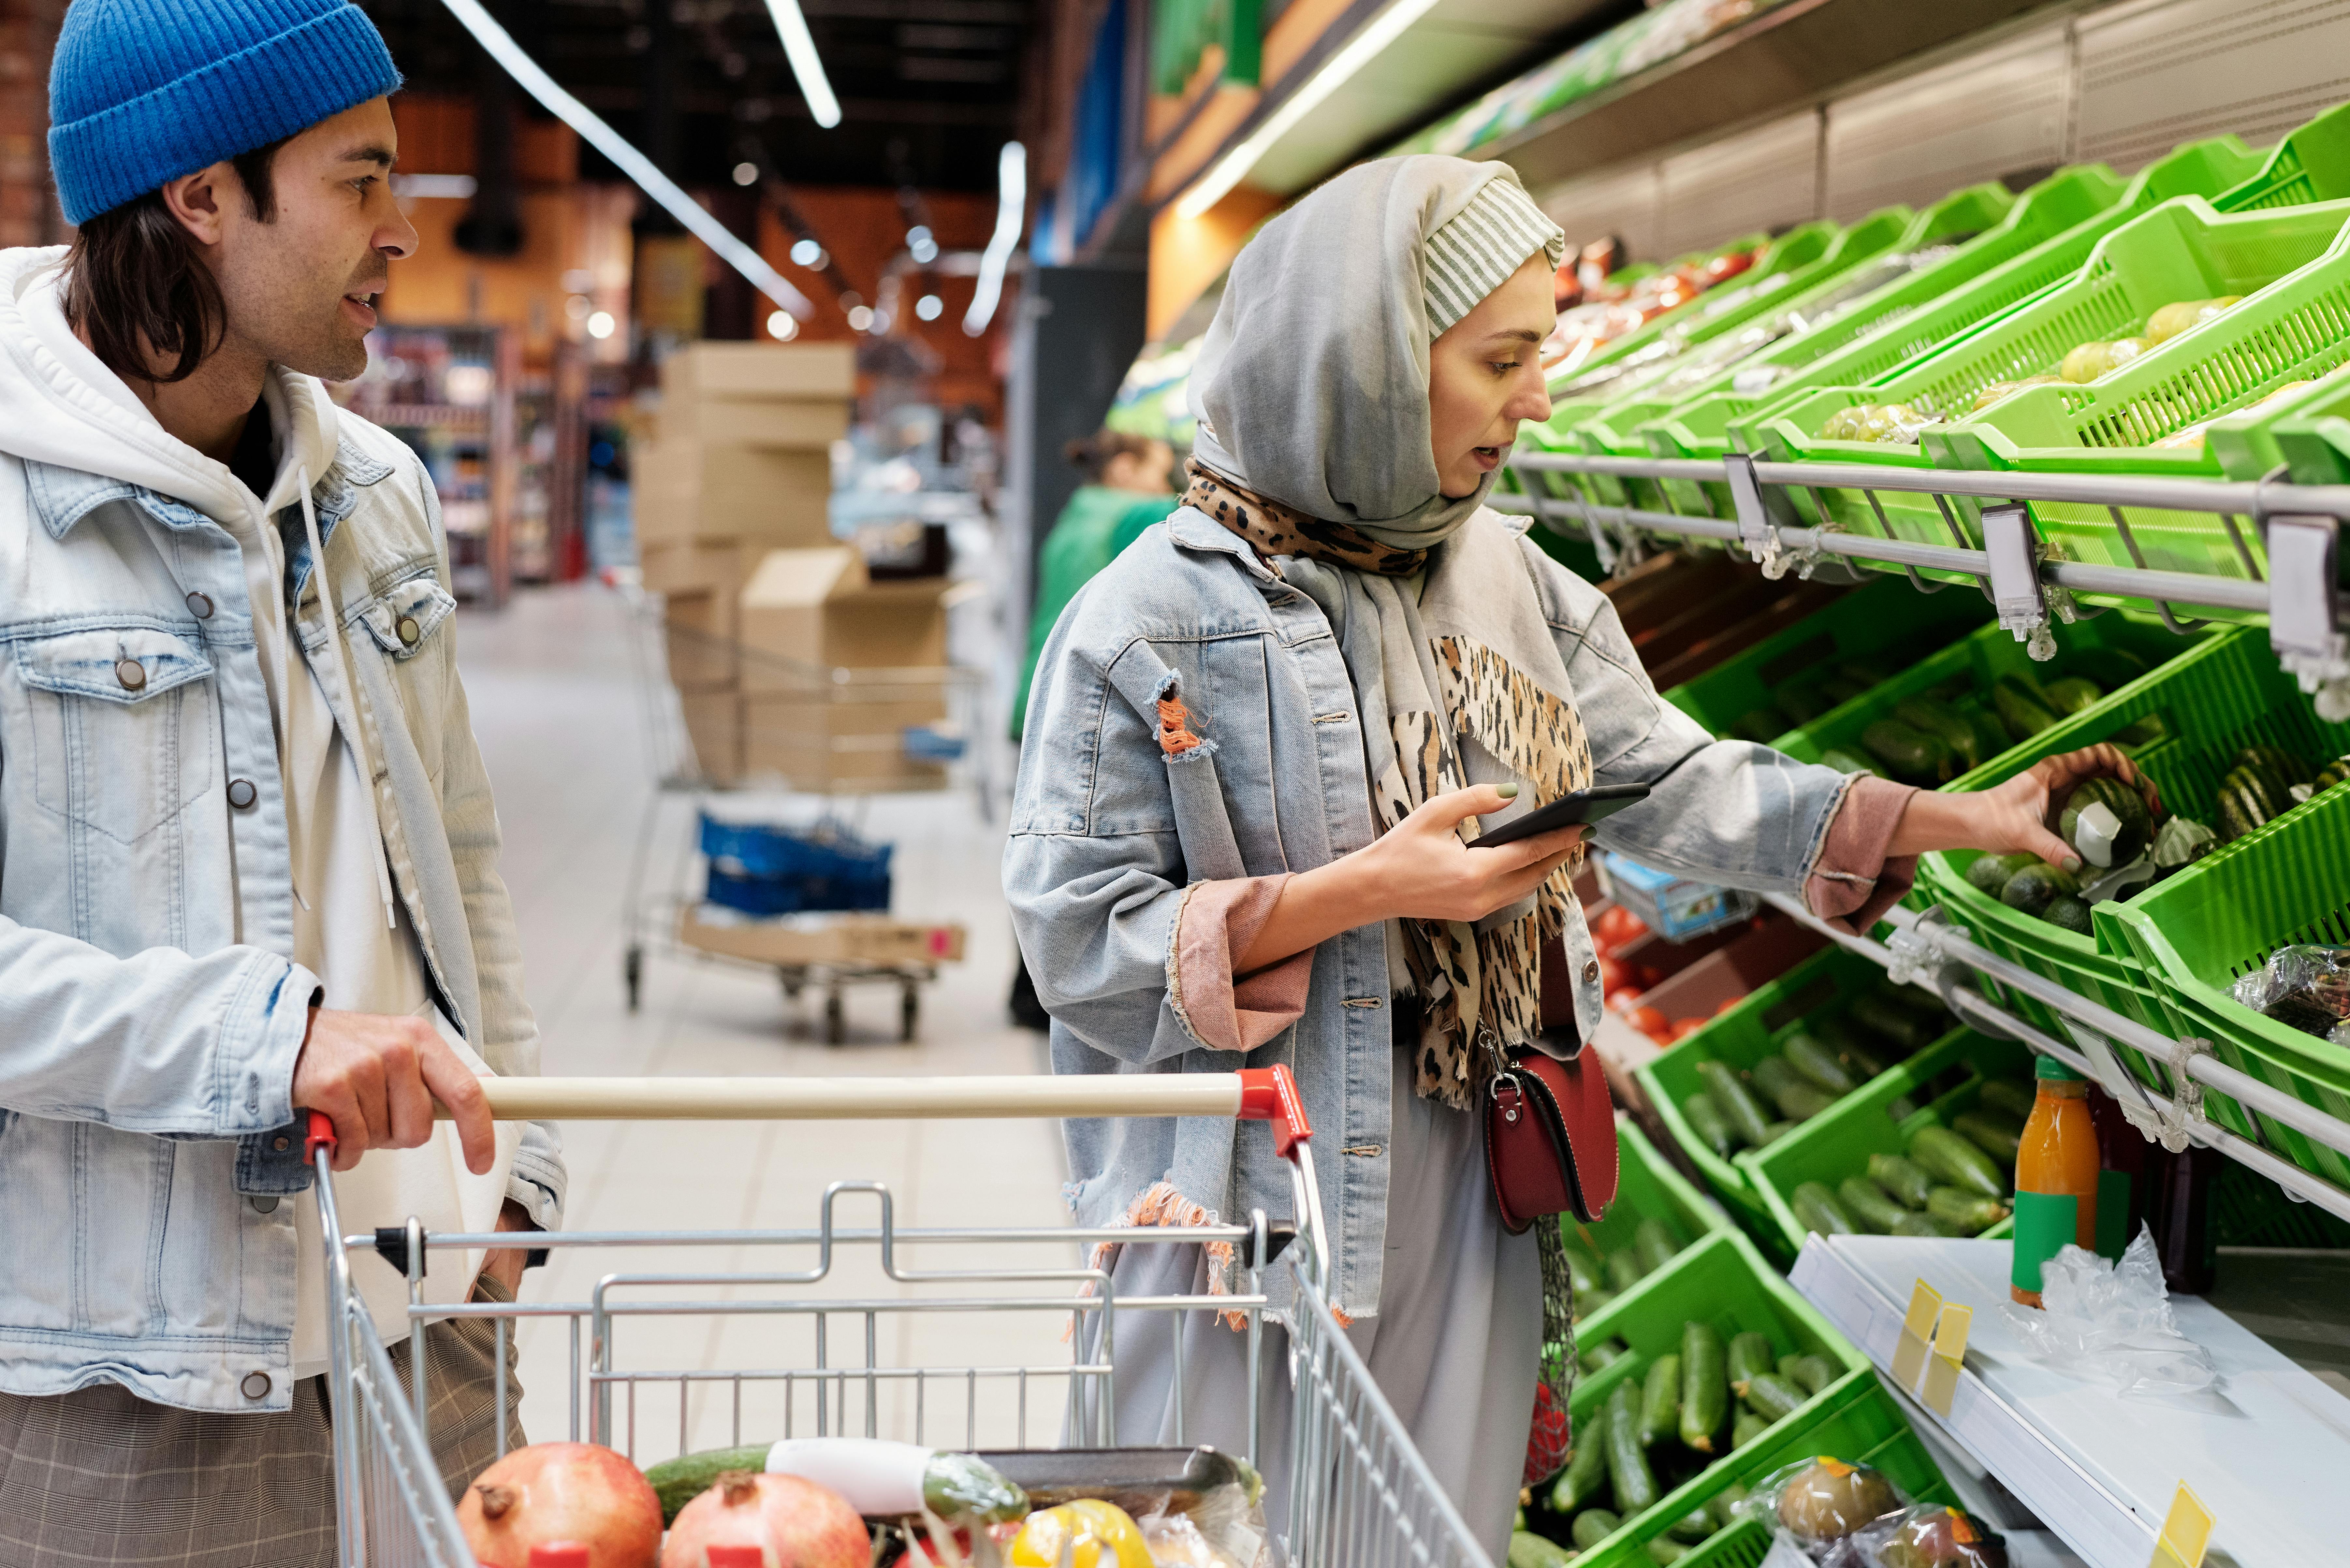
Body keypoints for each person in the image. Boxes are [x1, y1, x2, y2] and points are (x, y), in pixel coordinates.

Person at [1003, 156, 2147, 1555]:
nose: (1534, 400)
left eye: (1537, 356)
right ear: (1359, 364)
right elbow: (1076, 945)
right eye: (1497, 361)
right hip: (1251, 1211)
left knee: (1430, 1536)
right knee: (1210, 1536)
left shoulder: (1506, 579)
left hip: (1466, 1179)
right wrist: (1370, 889)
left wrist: (1944, 817)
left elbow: (1663, 776)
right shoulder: (1142, 625)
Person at [0, 1, 562, 1560]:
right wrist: (270, 1040)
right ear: (199, 196)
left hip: (418, 1322)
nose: (403, 233)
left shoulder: (375, 492)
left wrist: (523, 1174)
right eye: (360, 179)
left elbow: (458, 852)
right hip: (116, 1374)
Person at [1009, 428, 1176, 737]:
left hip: (1040, 689)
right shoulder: (1139, 514)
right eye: (1162, 474)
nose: (1167, 488)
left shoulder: (1078, 514)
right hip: (1081, 705)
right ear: (1125, 470)